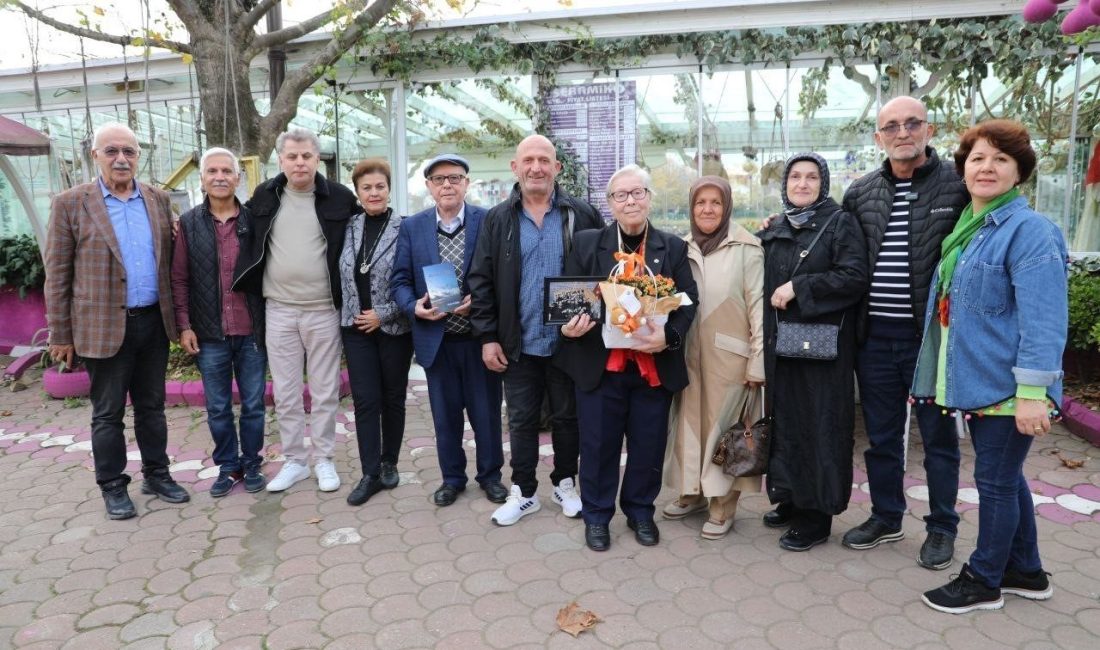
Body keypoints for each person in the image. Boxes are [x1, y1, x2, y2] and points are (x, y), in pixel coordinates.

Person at [914, 120, 1066, 614]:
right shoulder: (972, 228)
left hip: (1008, 384)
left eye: (1001, 159)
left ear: (1019, 172)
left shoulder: (1029, 231)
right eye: (978, 158)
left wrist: (1031, 393)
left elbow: (1044, 319)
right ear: (963, 168)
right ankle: (1026, 570)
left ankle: (984, 579)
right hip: (982, 378)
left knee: (995, 482)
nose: (987, 167)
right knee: (1008, 477)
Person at [838, 96, 968, 570]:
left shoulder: (958, 187)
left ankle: (941, 527)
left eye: (912, 123)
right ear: (879, 138)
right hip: (874, 342)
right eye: (891, 126)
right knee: (882, 437)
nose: (902, 132)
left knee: (938, 439)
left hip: (930, 341)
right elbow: (837, 246)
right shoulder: (861, 192)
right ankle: (887, 516)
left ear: (928, 130)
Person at [44, 122, 189, 519]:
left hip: (152, 324)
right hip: (101, 327)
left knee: (152, 408)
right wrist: (61, 332)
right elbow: (57, 274)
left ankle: (158, 475)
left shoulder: (158, 200)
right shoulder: (71, 203)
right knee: (107, 413)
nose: (121, 159)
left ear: (138, 156)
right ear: (95, 155)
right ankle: (112, 486)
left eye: (129, 151)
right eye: (111, 151)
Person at [556, 164, 697, 551]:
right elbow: (569, 301)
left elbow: (688, 303)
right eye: (622, 195)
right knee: (598, 444)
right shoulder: (587, 244)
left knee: (648, 444)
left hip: (652, 367)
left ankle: (639, 511)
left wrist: (668, 338)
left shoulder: (672, 247)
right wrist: (569, 326)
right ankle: (597, 516)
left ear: (649, 198)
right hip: (601, 366)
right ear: (610, 204)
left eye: (638, 193)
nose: (631, 200)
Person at [468, 134, 604, 526]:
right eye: (528, 160)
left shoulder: (582, 214)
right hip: (519, 341)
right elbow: (481, 281)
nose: (536, 168)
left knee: (567, 418)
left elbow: (602, 273)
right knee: (522, 420)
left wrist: (591, 322)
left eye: (544, 160)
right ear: (515, 167)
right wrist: (488, 336)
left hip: (570, 340)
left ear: (557, 168)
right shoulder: (498, 219)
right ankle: (524, 491)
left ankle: (565, 482)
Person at [233, 128, 357, 494]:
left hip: (323, 311)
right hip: (280, 309)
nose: (300, 162)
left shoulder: (339, 198)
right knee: (286, 392)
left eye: (306, 156)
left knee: (324, 391)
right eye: (292, 157)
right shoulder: (265, 195)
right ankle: (294, 461)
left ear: (318, 159)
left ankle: (323, 460)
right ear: (281, 160)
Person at [759, 153, 868, 551]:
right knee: (786, 423)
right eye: (794, 177)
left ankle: (817, 516)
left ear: (823, 182)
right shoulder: (779, 226)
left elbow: (854, 277)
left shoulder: (839, 224)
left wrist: (800, 288)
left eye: (810, 177)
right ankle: (789, 496)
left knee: (819, 427)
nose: (802, 184)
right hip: (782, 348)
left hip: (822, 351)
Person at [391, 153, 507, 507]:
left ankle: (491, 477)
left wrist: (482, 301)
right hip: (437, 341)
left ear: (466, 183)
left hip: (478, 339)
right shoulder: (413, 227)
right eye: (439, 179)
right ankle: (452, 479)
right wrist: (415, 308)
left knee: (486, 414)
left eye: (455, 178)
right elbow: (399, 280)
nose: (447, 185)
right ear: (428, 186)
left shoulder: (488, 221)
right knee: (445, 417)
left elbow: (503, 275)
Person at [662, 176, 764, 540]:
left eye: (715, 203)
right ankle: (692, 492)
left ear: (727, 206)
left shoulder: (747, 247)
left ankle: (722, 507)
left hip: (731, 358)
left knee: (724, 434)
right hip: (688, 354)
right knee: (690, 426)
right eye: (700, 203)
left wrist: (758, 360)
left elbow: (758, 309)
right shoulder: (681, 247)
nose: (707, 209)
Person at [171, 147, 267, 497]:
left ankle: (253, 461)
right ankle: (228, 466)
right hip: (210, 333)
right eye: (212, 171)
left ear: (238, 179)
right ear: (203, 179)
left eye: (227, 171)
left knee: (254, 404)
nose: (220, 177)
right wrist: (184, 325)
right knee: (217, 407)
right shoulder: (189, 223)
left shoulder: (254, 221)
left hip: (251, 329)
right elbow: (179, 278)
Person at [338, 158, 413, 506]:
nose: (373, 193)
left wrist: (382, 315)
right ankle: (369, 472)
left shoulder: (407, 228)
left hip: (394, 328)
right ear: (357, 192)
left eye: (379, 186)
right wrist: (360, 316)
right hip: (355, 328)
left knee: (392, 398)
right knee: (366, 401)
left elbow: (414, 281)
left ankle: (389, 463)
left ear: (389, 189)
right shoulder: (348, 227)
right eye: (366, 188)